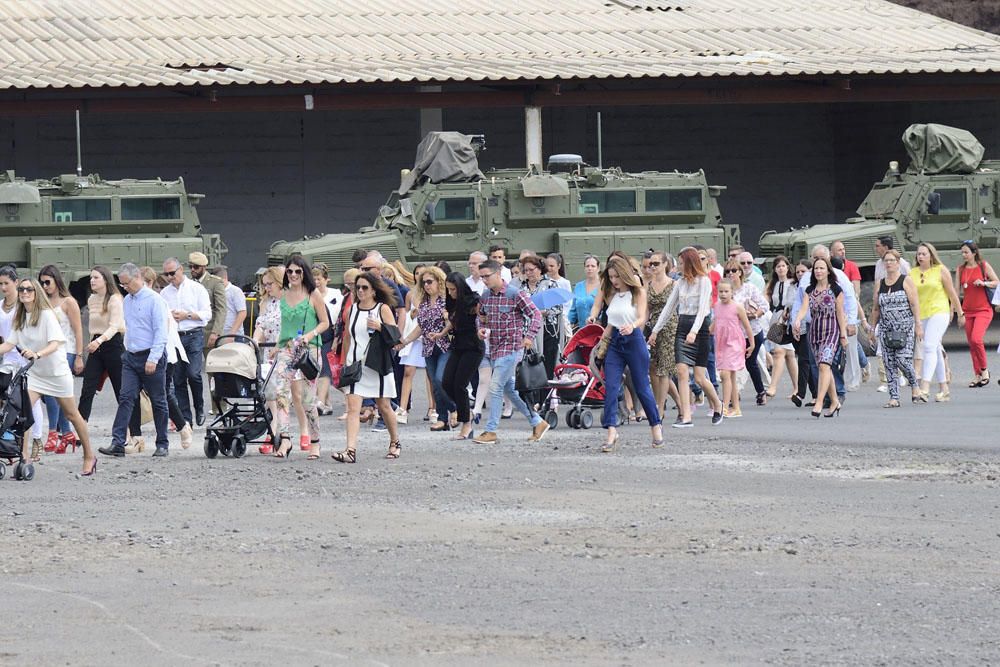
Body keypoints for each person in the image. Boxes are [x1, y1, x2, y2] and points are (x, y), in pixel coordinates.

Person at [0, 278, 96, 475]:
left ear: (36, 293)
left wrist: (37, 354)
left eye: (29, 289)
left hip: (56, 373)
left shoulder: (46, 315)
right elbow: (9, 344)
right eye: (21, 289)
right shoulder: (19, 317)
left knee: (71, 415)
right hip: (35, 374)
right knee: (22, 412)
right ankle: (24, 458)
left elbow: (55, 343)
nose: (25, 292)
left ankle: (89, 456)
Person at [97, 263, 171, 457]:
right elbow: (129, 327)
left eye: (127, 283)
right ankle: (118, 442)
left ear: (138, 277)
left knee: (158, 400)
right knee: (126, 397)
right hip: (131, 356)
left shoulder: (155, 300)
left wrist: (153, 357)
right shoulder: (127, 301)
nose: (125, 287)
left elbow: (161, 331)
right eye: (122, 285)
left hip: (150, 355)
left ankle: (162, 442)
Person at [473, 260, 549, 444]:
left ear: (498, 273)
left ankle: (491, 431)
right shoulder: (485, 296)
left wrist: (529, 336)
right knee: (509, 389)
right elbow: (481, 317)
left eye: (487, 276)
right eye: (481, 277)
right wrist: (480, 328)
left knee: (495, 386)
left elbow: (536, 315)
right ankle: (537, 422)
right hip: (494, 348)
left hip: (512, 348)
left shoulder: (515, 294)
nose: (484, 280)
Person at [650, 247, 723, 428]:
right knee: (681, 371)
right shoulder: (680, 283)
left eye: (681, 263)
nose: (678, 266)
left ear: (689, 263)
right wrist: (655, 330)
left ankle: (718, 404)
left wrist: (694, 331)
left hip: (700, 329)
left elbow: (702, 311)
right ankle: (686, 415)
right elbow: (669, 307)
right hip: (682, 327)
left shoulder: (704, 281)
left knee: (699, 377)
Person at [597, 256, 664, 451]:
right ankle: (611, 431)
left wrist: (632, 326)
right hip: (615, 342)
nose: (614, 281)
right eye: (611, 277)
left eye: (617, 276)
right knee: (610, 387)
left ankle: (656, 426)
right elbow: (610, 323)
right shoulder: (612, 296)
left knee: (642, 387)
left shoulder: (639, 292)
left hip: (634, 339)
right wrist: (600, 340)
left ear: (626, 274)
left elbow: (642, 317)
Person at [334, 271, 401, 462]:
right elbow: (347, 337)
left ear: (373, 291)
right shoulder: (352, 309)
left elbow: (396, 336)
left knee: (384, 406)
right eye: (358, 287)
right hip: (357, 365)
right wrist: (345, 362)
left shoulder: (383, 309)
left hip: (377, 364)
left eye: (365, 287)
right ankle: (350, 450)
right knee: (354, 408)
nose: (360, 291)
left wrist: (380, 326)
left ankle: (395, 441)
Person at [78, 266, 142, 445]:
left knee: (123, 391)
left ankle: (134, 432)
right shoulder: (91, 299)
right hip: (96, 345)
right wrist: (94, 341)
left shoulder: (115, 299)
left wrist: (99, 341)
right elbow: (93, 326)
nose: (92, 281)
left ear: (105, 280)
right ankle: (81, 429)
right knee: (87, 388)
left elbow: (115, 326)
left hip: (113, 345)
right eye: (91, 278)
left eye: (96, 278)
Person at [272, 255, 328, 459]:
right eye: (290, 271)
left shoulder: (313, 294)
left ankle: (315, 442)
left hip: (308, 350)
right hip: (286, 349)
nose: (294, 275)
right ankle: (285, 438)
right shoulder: (283, 295)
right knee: (281, 393)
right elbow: (283, 326)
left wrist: (310, 335)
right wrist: (277, 346)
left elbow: (325, 323)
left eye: (298, 271)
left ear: (304, 273)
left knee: (307, 399)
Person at [395, 266, 456, 431]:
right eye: (423, 283)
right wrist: (405, 341)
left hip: (446, 346)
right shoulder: (423, 304)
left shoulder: (447, 300)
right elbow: (420, 327)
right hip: (428, 347)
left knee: (439, 379)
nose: (427, 285)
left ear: (439, 281)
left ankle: (455, 407)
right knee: (435, 385)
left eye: (430, 281)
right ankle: (443, 419)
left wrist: (448, 318)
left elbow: (455, 322)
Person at [141, 266, 193, 449]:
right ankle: (134, 437)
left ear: (148, 283)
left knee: (162, 393)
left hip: (166, 353)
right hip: (144, 354)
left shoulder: (157, 301)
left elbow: (165, 332)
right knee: (141, 394)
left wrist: (157, 355)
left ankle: (180, 427)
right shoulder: (135, 300)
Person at [0, 266, 46, 460]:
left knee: (28, 403)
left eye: (6, 283)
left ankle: (35, 440)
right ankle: (8, 444)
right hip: (6, 359)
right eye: (0, 284)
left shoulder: (23, 306)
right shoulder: (0, 305)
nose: (3, 287)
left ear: (16, 283)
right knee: (7, 402)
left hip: (24, 358)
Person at [792, 256, 846, 418]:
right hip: (815, 332)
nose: (819, 271)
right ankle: (835, 400)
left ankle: (820, 402)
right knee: (825, 368)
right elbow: (804, 308)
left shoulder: (836, 289)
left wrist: (843, 334)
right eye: (816, 268)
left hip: (832, 331)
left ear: (828, 270)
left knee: (824, 366)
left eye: (822, 268)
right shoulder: (810, 290)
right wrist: (797, 320)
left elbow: (840, 313)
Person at [159, 257, 211, 426]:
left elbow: (206, 314)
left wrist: (186, 315)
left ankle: (199, 406)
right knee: (178, 378)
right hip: (175, 336)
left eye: (172, 273)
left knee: (194, 374)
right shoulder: (165, 293)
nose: (169, 277)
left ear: (181, 269)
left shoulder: (196, 288)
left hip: (194, 334)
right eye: (166, 274)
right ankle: (186, 418)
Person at [38, 265, 84, 455]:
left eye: (47, 282)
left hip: (67, 349)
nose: (45, 286)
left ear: (57, 281)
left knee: (52, 392)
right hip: (49, 351)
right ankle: (66, 434)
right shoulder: (42, 302)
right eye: (41, 283)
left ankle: (52, 432)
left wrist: (79, 356)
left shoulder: (68, 302)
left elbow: (78, 329)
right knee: (58, 394)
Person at [869, 249, 922, 407]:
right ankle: (894, 397)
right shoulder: (880, 283)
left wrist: (918, 324)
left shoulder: (906, 280)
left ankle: (914, 384)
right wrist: (872, 329)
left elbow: (914, 303)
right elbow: (876, 308)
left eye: (892, 260)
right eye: (886, 261)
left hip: (904, 327)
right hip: (886, 328)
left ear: (898, 263)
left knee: (902, 360)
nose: (889, 263)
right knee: (888, 362)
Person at [911, 243, 961, 402]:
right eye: (919, 254)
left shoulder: (940, 269)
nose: (920, 257)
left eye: (924, 254)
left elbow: (952, 293)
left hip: (940, 312)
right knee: (936, 348)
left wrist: (960, 312)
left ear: (931, 255)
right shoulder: (912, 273)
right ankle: (944, 389)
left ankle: (925, 387)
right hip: (922, 314)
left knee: (929, 347)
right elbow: (911, 297)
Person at [440, 272, 484, 440]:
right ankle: (467, 413)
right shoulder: (451, 301)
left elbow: (482, 317)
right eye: (448, 289)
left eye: (453, 289)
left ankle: (466, 423)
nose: (450, 293)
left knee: (459, 384)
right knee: (446, 382)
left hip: (473, 345)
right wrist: (442, 332)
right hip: (458, 344)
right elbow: (453, 319)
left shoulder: (473, 300)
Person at [519, 254, 562, 408]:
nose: (529, 273)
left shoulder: (550, 284)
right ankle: (532, 400)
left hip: (548, 330)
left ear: (539, 269)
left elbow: (558, 307)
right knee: (530, 365)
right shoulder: (522, 287)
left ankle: (546, 400)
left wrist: (541, 312)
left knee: (547, 365)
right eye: (526, 270)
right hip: (528, 331)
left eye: (531, 269)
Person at [724, 258, 769, 405]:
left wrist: (755, 314)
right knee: (734, 364)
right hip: (733, 333)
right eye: (728, 271)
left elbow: (764, 305)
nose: (731, 274)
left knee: (750, 363)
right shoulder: (725, 291)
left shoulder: (749, 288)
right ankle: (734, 394)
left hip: (753, 331)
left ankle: (761, 391)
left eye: (734, 271)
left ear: (740, 273)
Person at [955, 240, 998, 387]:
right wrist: (959, 313)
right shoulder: (960, 269)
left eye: (966, 252)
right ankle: (977, 375)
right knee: (972, 344)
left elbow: (997, 282)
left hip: (983, 310)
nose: (964, 255)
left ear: (974, 253)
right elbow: (956, 292)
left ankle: (984, 370)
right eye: (962, 252)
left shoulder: (983, 266)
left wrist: (984, 283)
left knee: (976, 339)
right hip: (967, 310)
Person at [251, 266, 284, 453]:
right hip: (268, 349)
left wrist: (280, 343)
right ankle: (273, 432)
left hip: (285, 348)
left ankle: (302, 431)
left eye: (270, 284)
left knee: (287, 395)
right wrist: (255, 340)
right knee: (271, 393)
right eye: (264, 284)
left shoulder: (288, 300)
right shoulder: (266, 302)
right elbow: (261, 324)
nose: (267, 288)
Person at [713, 279, 755, 418]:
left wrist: (752, 344)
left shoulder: (738, 307)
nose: (723, 294)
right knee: (730, 376)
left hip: (735, 343)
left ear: (732, 292)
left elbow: (747, 326)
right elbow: (715, 323)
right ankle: (736, 408)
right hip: (721, 343)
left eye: (726, 291)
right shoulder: (716, 306)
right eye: (721, 291)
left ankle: (724, 406)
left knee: (725, 374)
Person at [645, 251, 679, 414]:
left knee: (664, 369)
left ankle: (660, 407)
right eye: (651, 264)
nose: (652, 267)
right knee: (654, 367)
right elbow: (646, 310)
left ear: (666, 264)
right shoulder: (649, 285)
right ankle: (679, 404)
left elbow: (674, 308)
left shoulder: (674, 284)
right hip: (653, 329)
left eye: (656, 263)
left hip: (669, 327)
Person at [764, 255, 799, 401]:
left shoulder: (792, 283)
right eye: (778, 266)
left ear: (787, 267)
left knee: (778, 352)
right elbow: (765, 298)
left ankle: (773, 386)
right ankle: (797, 388)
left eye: (783, 266)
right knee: (789, 355)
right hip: (776, 318)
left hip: (787, 318)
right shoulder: (773, 284)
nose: (781, 268)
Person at [310, 263, 341, 416]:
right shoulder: (309, 294)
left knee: (325, 369)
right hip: (314, 333)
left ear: (326, 279)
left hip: (330, 334)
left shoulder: (335, 294)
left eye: (319, 279)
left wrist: (338, 337)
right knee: (320, 369)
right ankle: (327, 403)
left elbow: (340, 315)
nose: (316, 282)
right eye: (313, 279)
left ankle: (320, 401)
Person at [188, 252, 226, 352]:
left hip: (209, 333)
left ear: (204, 267)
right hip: (191, 334)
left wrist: (216, 332)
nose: (192, 270)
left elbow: (221, 309)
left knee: (211, 365)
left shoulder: (215, 282)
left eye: (196, 267)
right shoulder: (188, 283)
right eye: (190, 266)